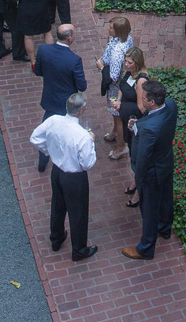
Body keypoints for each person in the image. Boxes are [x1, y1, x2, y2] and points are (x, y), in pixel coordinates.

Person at [30, 92, 97, 262]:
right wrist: (92, 142)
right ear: (81, 111)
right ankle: (79, 249)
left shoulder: (53, 121)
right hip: (75, 178)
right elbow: (88, 164)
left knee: (57, 206)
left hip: (57, 171)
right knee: (78, 213)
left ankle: (56, 238)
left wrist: (49, 151)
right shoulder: (83, 136)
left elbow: (35, 138)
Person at [122, 79, 178, 260]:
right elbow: (151, 121)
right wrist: (137, 124)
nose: (142, 99)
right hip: (166, 161)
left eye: (144, 97)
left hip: (151, 171)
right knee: (166, 198)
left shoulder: (149, 129)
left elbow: (143, 157)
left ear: (152, 102)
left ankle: (146, 247)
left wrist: (139, 179)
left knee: (149, 208)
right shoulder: (170, 105)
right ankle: (165, 228)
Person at [33, 24, 88, 172]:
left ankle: (42, 161)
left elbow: (38, 71)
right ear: (69, 38)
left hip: (50, 99)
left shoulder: (44, 50)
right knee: (67, 133)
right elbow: (82, 86)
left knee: (45, 130)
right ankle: (64, 160)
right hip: (66, 105)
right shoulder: (74, 60)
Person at [110, 46, 149, 204]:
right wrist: (119, 100)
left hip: (135, 125)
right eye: (125, 61)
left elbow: (141, 108)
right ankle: (135, 181)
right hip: (127, 122)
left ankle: (139, 192)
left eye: (129, 62)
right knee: (132, 154)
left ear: (137, 63)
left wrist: (122, 107)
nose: (126, 65)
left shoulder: (141, 80)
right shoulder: (129, 73)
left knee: (137, 157)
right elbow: (122, 86)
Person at [95, 17, 134, 159]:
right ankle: (114, 132)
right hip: (121, 83)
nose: (108, 29)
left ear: (118, 31)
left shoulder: (118, 52)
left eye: (111, 28)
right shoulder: (126, 38)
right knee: (115, 116)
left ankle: (122, 146)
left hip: (115, 89)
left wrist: (101, 68)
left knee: (117, 116)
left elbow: (112, 77)